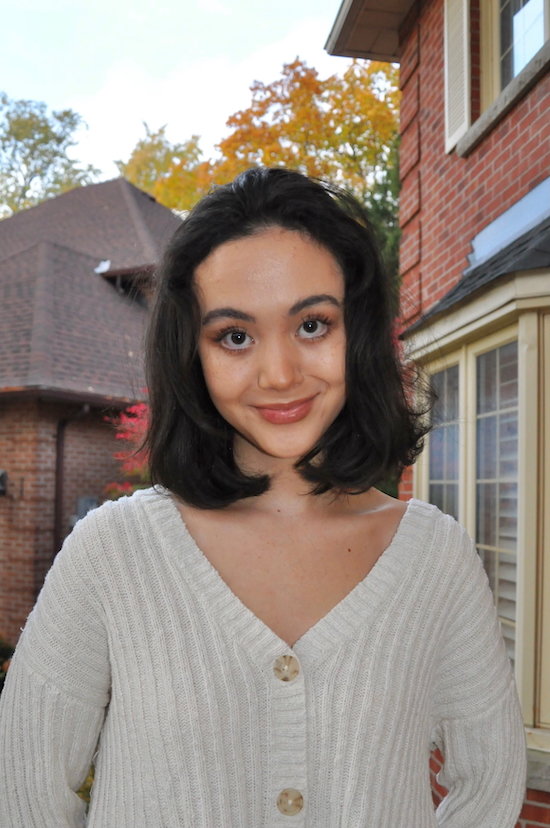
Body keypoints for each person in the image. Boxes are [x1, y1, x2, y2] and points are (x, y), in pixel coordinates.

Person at [0, 167, 526, 827]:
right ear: (193, 354)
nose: (279, 375)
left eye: (312, 325)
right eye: (235, 337)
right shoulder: (113, 555)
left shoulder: (433, 556)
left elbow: (490, 784)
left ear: (355, 334)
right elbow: (21, 790)